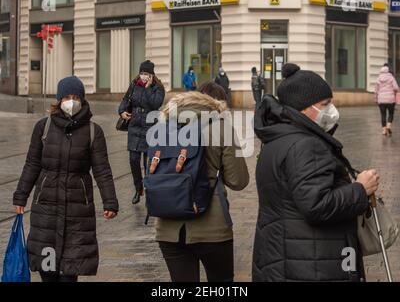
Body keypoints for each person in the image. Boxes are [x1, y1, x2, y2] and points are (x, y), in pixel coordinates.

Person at [253, 63, 380, 282]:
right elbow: (317, 205)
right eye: (325, 104)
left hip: (284, 257)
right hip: (312, 263)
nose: (331, 109)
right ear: (303, 108)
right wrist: (360, 189)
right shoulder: (306, 145)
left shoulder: (277, 138)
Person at [13, 76, 119, 282]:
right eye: (67, 97)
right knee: (48, 271)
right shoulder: (42, 128)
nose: (71, 101)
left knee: (69, 275)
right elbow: (32, 164)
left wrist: (110, 201)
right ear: (59, 100)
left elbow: (102, 170)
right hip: (46, 211)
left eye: (75, 97)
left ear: (82, 99)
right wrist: (20, 196)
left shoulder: (92, 131)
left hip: (78, 213)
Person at [156, 83, 249, 282]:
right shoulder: (221, 126)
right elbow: (238, 180)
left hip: (168, 228)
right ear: (219, 104)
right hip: (212, 228)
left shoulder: (162, 124)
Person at [118, 60, 165, 205]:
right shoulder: (134, 85)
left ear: (152, 75)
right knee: (133, 160)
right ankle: (138, 189)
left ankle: (149, 189)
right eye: (142, 73)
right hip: (134, 126)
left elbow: (155, 103)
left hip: (150, 127)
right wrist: (122, 111)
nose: (143, 76)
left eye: (146, 74)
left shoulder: (158, 88)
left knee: (147, 162)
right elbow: (126, 99)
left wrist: (149, 88)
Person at [375, 64, 399, 136]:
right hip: (390, 99)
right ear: (388, 70)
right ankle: (388, 126)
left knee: (383, 114)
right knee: (391, 113)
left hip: (381, 100)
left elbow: (376, 90)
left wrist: (376, 99)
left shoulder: (378, 78)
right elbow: (396, 88)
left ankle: (384, 130)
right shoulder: (391, 78)